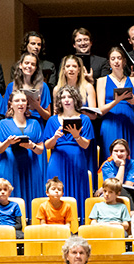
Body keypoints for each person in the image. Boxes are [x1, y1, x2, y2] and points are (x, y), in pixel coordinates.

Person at [0, 91, 46, 218]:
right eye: (17, 101)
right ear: (11, 104)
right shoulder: (3, 124)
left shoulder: (34, 123)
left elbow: (40, 149)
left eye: (23, 100)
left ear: (27, 103)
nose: (20, 103)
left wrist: (32, 146)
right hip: (10, 166)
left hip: (30, 166)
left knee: (32, 196)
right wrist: (8, 142)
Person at [44, 86, 93, 216]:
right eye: (63, 97)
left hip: (77, 160)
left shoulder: (85, 120)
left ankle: (77, 222)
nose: (66, 100)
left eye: (69, 97)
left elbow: (85, 145)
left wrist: (76, 135)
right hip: (57, 160)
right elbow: (47, 145)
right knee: (55, 191)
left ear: (75, 99)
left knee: (77, 189)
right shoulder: (52, 120)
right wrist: (55, 137)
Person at [96, 48, 134, 156]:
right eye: (113, 58)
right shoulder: (102, 81)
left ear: (124, 61)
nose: (116, 61)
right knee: (110, 156)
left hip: (129, 122)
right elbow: (100, 111)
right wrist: (117, 101)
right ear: (109, 63)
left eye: (119, 58)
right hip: (110, 123)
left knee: (131, 156)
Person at [6, 52, 52, 123]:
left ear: (36, 68)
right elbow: (5, 113)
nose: (29, 66)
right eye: (26, 63)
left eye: (33, 64)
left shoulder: (43, 87)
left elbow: (48, 116)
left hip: (36, 124)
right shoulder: (11, 86)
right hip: (16, 123)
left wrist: (37, 106)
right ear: (20, 65)